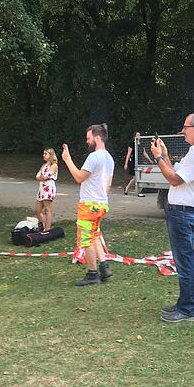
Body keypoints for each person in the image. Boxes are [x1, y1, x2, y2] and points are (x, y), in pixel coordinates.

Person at [151, 113, 194, 323]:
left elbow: (175, 180)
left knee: (185, 261)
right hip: (183, 211)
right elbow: (176, 172)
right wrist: (165, 156)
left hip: (183, 212)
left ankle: (188, 309)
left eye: (185, 128)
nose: (182, 131)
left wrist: (158, 158)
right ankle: (184, 305)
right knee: (183, 260)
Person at [61, 123, 116, 287]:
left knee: (86, 239)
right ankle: (104, 266)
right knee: (95, 234)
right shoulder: (109, 158)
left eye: (88, 138)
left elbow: (79, 177)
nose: (87, 141)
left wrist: (67, 160)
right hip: (101, 204)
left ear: (97, 138)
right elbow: (108, 184)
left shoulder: (94, 157)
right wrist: (100, 199)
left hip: (89, 205)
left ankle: (93, 273)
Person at [34, 148, 58, 231]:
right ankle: (42, 225)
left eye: (45, 154)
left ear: (50, 155)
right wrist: (41, 177)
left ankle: (47, 229)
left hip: (48, 188)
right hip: (41, 188)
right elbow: (38, 176)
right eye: (43, 153)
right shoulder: (44, 165)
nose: (43, 155)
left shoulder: (54, 165)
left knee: (48, 209)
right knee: (37, 210)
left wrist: (42, 177)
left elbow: (47, 175)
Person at [123, 132, 145, 197]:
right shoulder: (132, 144)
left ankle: (131, 189)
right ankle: (129, 189)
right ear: (134, 137)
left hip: (140, 161)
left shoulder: (141, 144)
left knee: (138, 177)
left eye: (139, 135)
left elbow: (144, 153)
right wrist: (126, 164)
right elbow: (128, 154)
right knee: (135, 177)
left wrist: (150, 160)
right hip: (133, 162)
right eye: (137, 135)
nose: (139, 136)